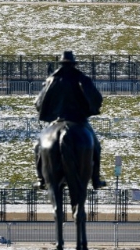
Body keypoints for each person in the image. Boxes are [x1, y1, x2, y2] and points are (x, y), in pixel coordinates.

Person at [34, 51, 105, 190]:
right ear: (73, 64)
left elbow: (38, 103)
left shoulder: (52, 80)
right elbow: (97, 99)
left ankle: (41, 179)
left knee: (38, 146)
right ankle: (96, 179)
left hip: (57, 120)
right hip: (79, 121)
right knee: (96, 147)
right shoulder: (82, 79)